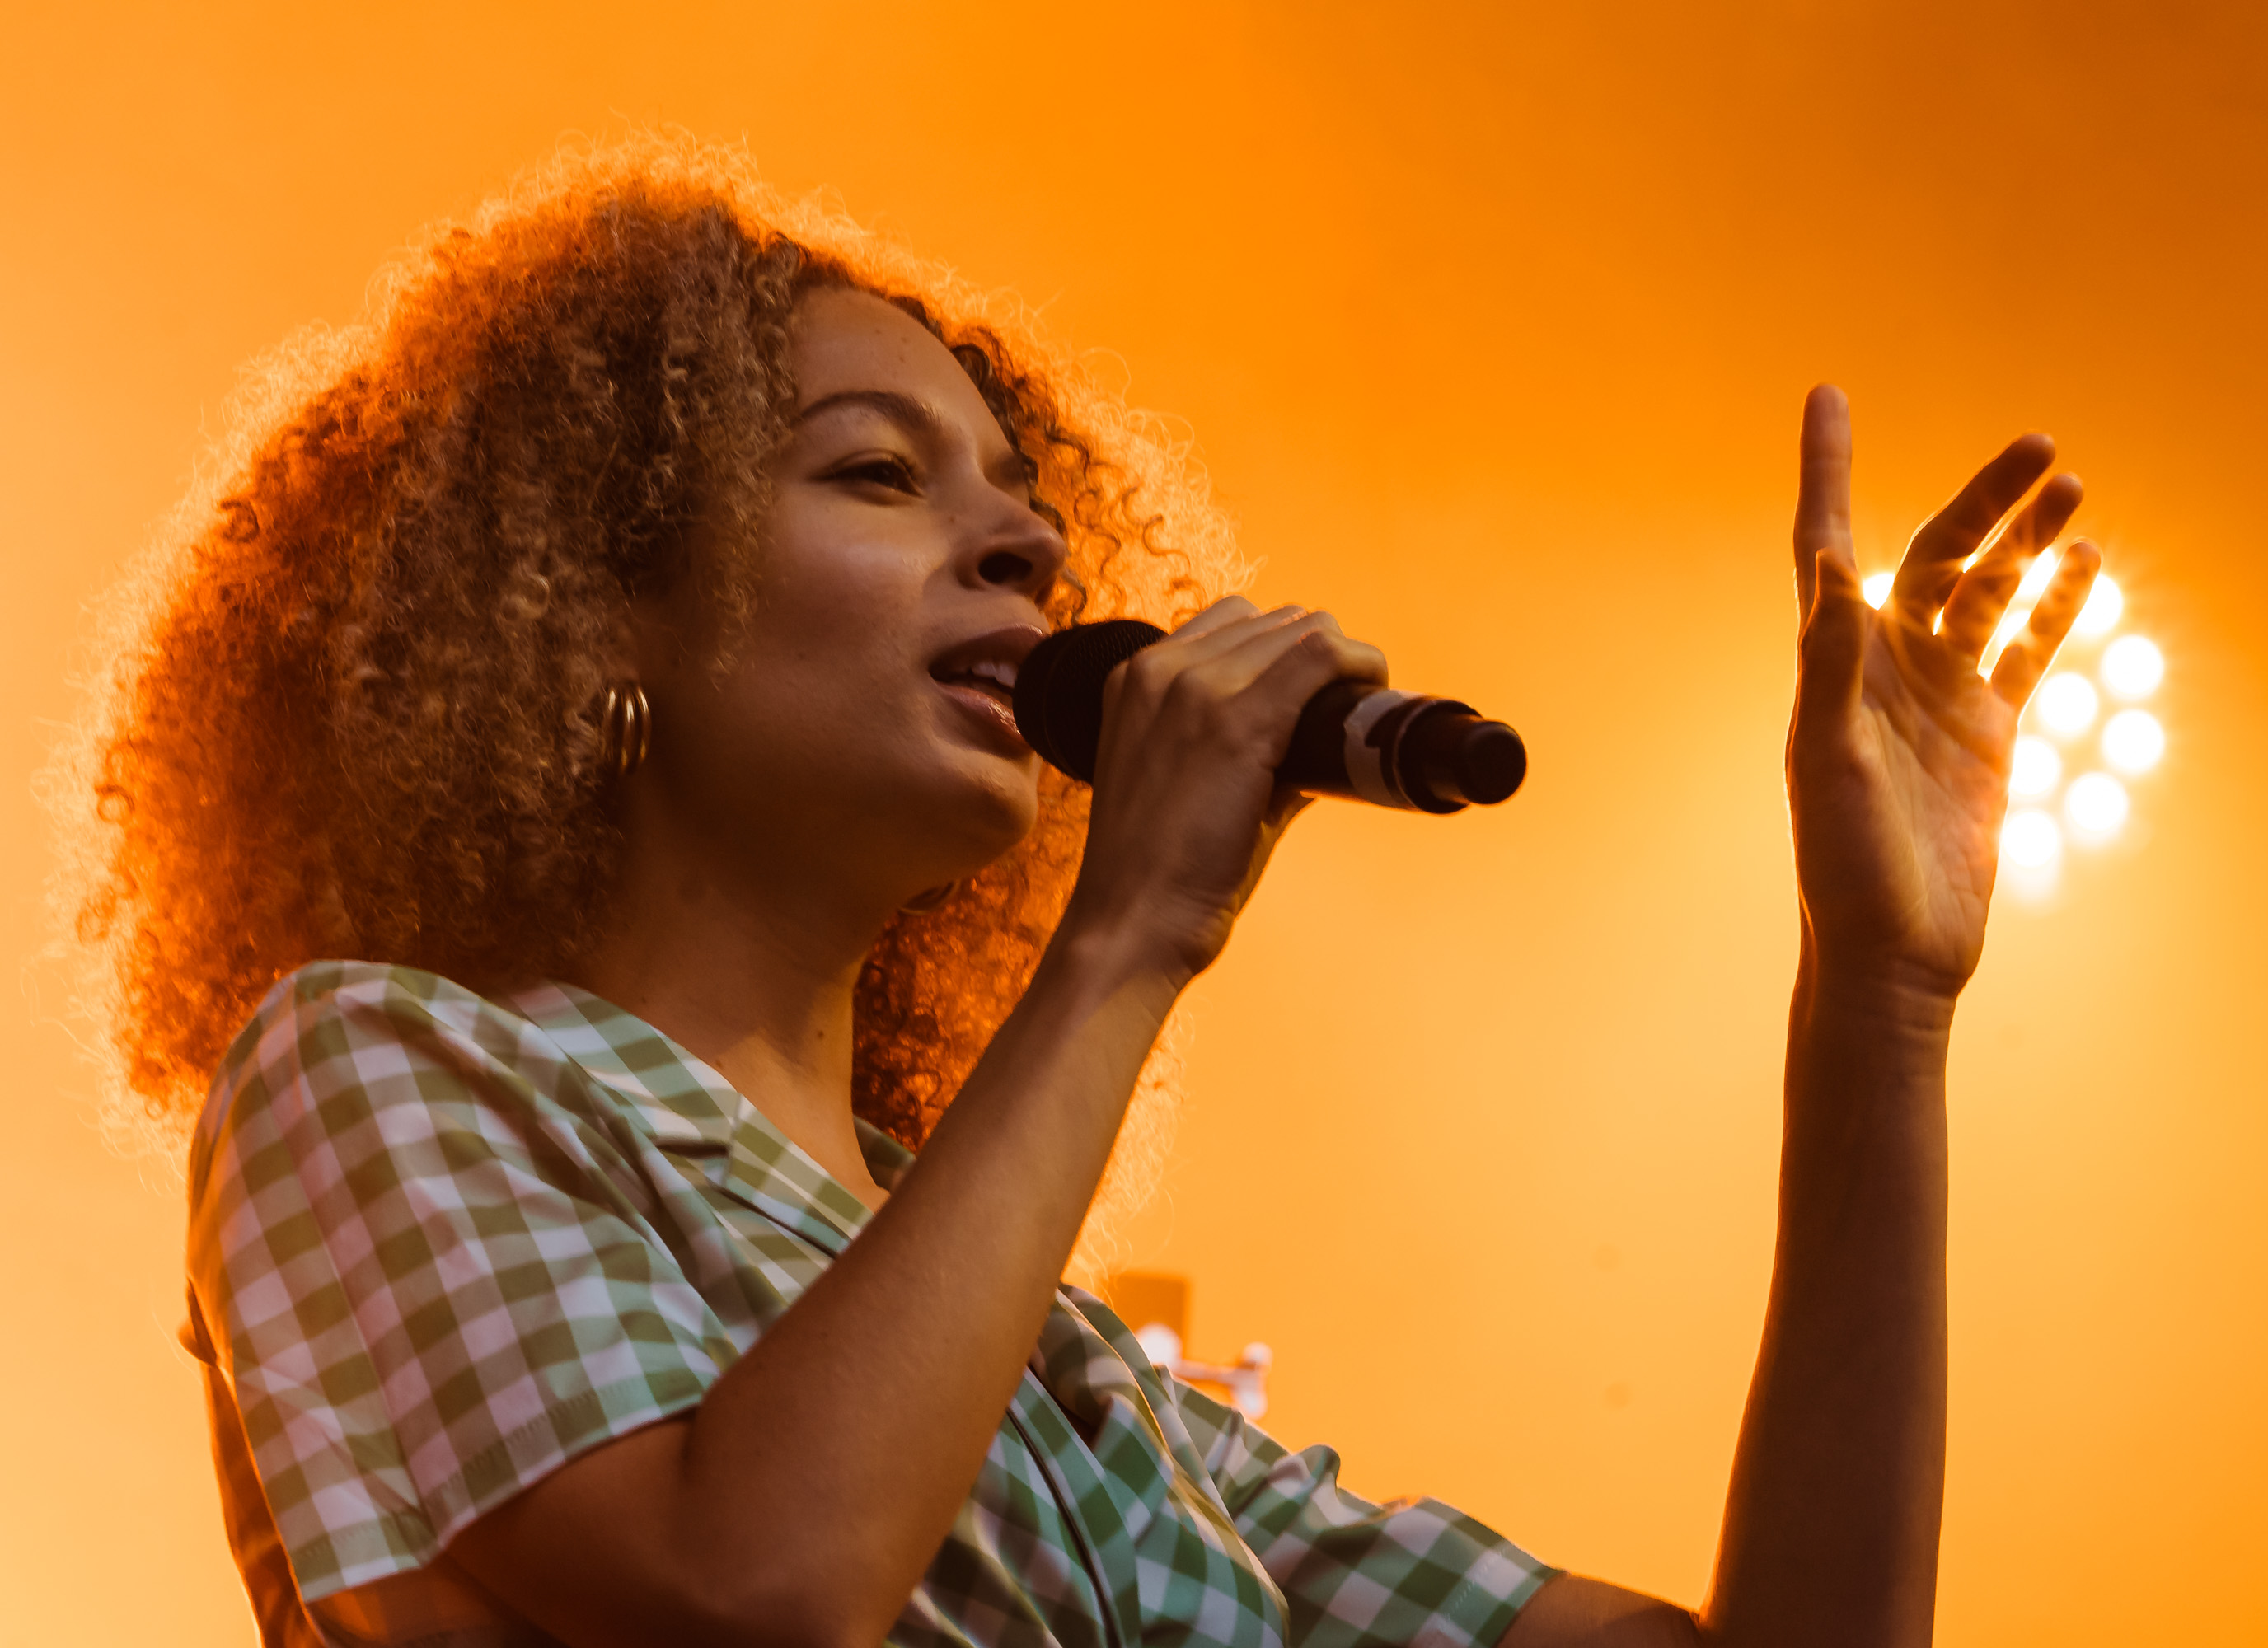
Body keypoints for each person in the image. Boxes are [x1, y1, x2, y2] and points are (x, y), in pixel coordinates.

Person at [68, 136, 2096, 1648]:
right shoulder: (374, 1071)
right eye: (879, 473)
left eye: (1025, 508)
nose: (1028, 553)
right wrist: (1130, 935)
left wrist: (1879, 1004)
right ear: (588, 608)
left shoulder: (1073, 1382)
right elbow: (752, 1586)